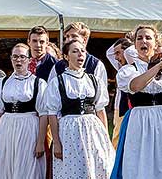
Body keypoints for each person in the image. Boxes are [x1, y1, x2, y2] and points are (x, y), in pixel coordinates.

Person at [111, 25, 162, 179]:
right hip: (141, 122)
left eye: (148, 38)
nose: (143, 41)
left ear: (155, 44)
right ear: (135, 44)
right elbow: (136, 85)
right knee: (142, 164)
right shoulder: (129, 69)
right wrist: (158, 66)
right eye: (139, 38)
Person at [44, 40, 114, 178]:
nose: (80, 54)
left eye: (82, 51)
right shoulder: (58, 82)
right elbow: (52, 114)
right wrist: (57, 143)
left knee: (98, 167)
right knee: (73, 171)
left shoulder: (94, 81)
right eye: (75, 51)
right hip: (69, 132)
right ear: (66, 56)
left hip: (93, 131)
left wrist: (106, 138)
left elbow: (100, 110)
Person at [0, 43, 47, 178]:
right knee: (5, 165)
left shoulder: (38, 83)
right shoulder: (1, 83)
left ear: (29, 59)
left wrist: (40, 142)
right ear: (11, 59)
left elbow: (43, 115)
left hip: (29, 129)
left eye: (22, 57)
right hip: (6, 129)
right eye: (15, 57)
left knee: (27, 166)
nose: (18, 60)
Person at [26, 25, 59, 179]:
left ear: (47, 43)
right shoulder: (22, 61)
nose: (38, 45)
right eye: (34, 41)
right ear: (28, 42)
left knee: (43, 153)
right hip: (25, 116)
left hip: (45, 116)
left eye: (41, 42)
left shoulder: (55, 65)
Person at [106, 37, 134, 149]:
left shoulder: (140, 66)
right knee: (117, 140)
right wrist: (127, 39)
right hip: (120, 108)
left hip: (134, 108)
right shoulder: (120, 67)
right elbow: (109, 53)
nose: (116, 57)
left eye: (118, 53)